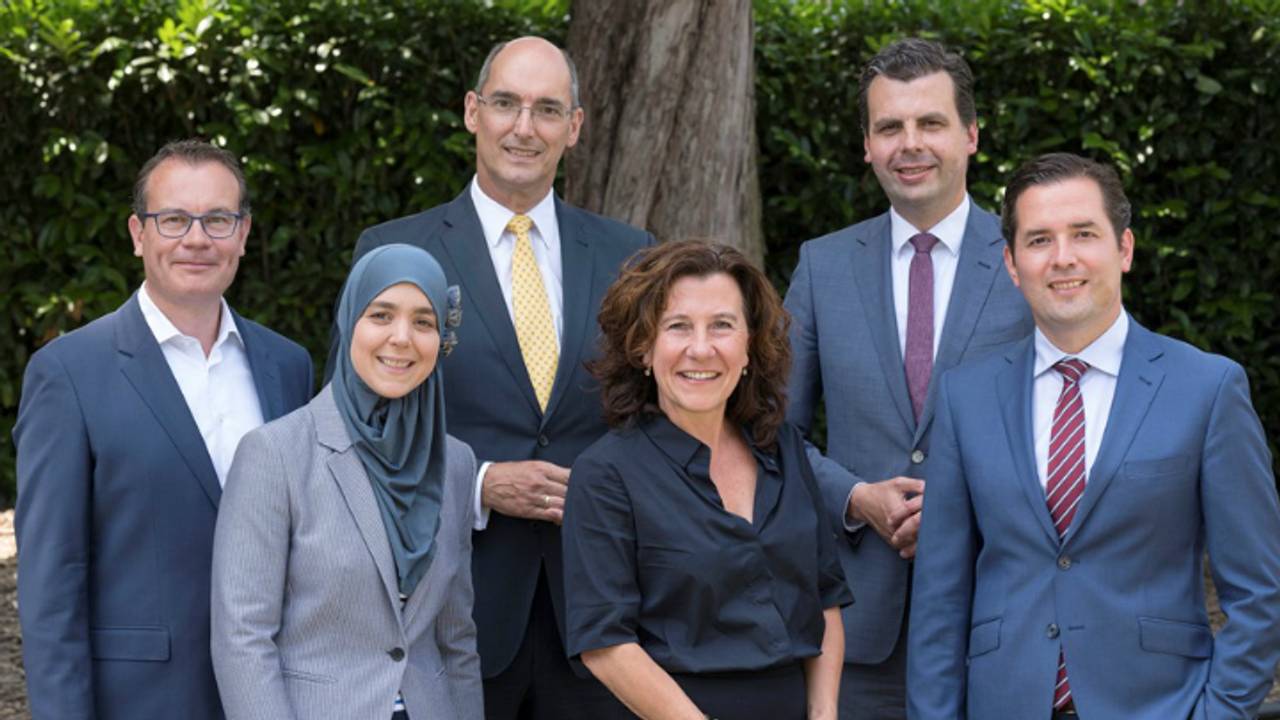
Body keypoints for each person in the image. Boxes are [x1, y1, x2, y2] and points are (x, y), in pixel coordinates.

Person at [334, 36, 651, 719]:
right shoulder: (396, 251)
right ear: (473, 111)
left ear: (574, 127)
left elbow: (652, 420)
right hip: (449, 611)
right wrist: (477, 484)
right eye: (506, 103)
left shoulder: (631, 256)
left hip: (599, 619)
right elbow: (354, 427)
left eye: (547, 109)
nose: (523, 127)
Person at [907, 153, 1280, 719]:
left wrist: (1219, 712)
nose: (1063, 257)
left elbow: (1259, 593)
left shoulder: (1207, 389)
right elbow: (939, 602)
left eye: (1083, 234)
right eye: (1039, 240)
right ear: (1012, 263)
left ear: (1124, 248)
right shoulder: (966, 397)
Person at [12, 139, 313, 720]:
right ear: (138, 234)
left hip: (274, 697)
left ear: (244, 234)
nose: (196, 239)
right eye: (173, 219)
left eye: (218, 219)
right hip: (141, 702)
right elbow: (51, 585)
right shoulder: (68, 373)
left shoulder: (288, 365)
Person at [782, 38, 1033, 719]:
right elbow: (770, 428)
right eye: (890, 127)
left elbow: (1074, 426)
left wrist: (960, 506)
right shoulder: (823, 267)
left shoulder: (1029, 263)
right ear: (867, 145)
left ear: (971, 134)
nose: (910, 144)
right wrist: (854, 495)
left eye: (931, 123)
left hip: (1003, 618)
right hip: (858, 628)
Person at [563, 240, 852, 720]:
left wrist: (824, 714)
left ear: (749, 345)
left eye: (722, 325)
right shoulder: (605, 474)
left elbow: (825, 599)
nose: (701, 349)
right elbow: (606, 645)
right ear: (643, 347)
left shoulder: (782, 446)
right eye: (678, 326)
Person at [211, 243, 481, 720]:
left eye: (423, 322)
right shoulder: (276, 453)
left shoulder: (455, 463)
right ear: (349, 320)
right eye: (381, 316)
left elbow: (456, 639)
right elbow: (243, 639)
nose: (402, 338)